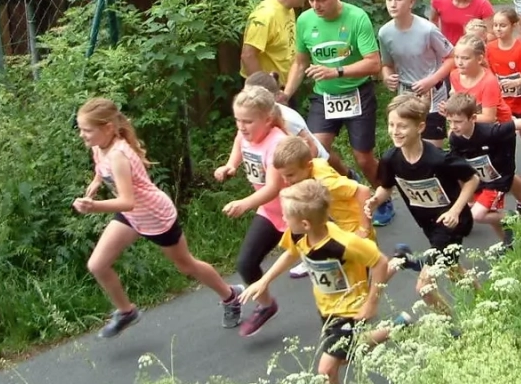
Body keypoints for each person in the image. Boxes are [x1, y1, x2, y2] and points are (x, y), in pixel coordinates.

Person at [74, 98, 244, 338]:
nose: (82, 134)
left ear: (108, 128)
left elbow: (127, 201)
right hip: (132, 216)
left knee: (186, 265)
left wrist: (94, 206)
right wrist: (96, 181)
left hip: (155, 216)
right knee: (97, 265)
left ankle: (230, 295)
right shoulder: (99, 146)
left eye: (87, 130)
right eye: (81, 129)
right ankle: (126, 312)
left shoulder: (119, 155)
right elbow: (102, 168)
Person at [239, 179, 390, 384]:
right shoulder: (298, 235)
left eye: (286, 216)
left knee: (327, 369)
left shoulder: (344, 243)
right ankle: (396, 327)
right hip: (326, 308)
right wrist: (264, 280)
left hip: (351, 309)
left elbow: (380, 262)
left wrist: (371, 303)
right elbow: (291, 253)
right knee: (347, 354)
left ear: (305, 223)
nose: (283, 220)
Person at [281, 0, 394, 226]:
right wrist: (286, 94)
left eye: (321, 0)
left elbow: (373, 64)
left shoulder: (357, 17)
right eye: (311, 0)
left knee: (363, 156)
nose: (315, 6)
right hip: (324, 96)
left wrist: (336, 72)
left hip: (357, 92)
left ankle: (382, 197)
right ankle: (349, 180)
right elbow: (300, 62)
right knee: (315, 152)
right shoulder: (305, 20)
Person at [366, 94, 479, 316]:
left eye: (402, 126)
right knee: (453, 270)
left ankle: (453, 324)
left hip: (452, 223)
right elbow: (386, 187)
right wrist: (375, 200)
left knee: (423, 286)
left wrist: (455, 210)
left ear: (420, 127)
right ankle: (486, 299)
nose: (395, 131)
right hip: (428, 225)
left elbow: (472, 179)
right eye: (391, 125)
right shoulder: (390, 159)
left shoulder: (438, 159)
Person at [215, 86, 288, 336]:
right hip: (271, 212)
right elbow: (240, 144)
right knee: (246, 264)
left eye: (247, 121)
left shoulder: (277, 143)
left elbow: (273, 188)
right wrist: (230, 166)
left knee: (322, 260)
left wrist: (244, 204)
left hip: (296, 213)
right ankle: (266, 305)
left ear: (267, 119)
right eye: (238, 120)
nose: (242, 127)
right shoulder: (245, 134)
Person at [443, 93, 521, 246]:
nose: (453, 126)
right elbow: (460, 169)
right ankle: (509, 244)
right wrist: (468, 198)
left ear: (473, 118)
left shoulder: (490, 131)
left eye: (458, 122)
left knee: (477, 215)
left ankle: (512, 217)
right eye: (450, 122)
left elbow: (520, 123)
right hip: (481, 181)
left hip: (498, 180)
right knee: (490, 215)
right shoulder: (456, 138)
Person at [379, 0, 454, 148]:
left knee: (432, 150)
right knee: (407, 146)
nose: (393, 4)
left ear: (411, 2)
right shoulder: (384, 33)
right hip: (405, 94)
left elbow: (452, 58)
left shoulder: (428, 30)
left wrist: (431, 80)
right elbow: (387, 65)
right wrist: (387, 77)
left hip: (433, 94)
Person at [272, 136, 373, 239]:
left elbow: (363, 191)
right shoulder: (311, 166)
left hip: (353, 227)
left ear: (309, 166)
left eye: (290, 175)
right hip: (337, 226)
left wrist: (364, 228)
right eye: (282, 176)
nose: (286, 181)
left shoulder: (326, 183)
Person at [487, 8, 521, 181]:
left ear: (514, 26)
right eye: (495, 25)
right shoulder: (490, 48)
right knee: (502, 135)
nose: (498, 29)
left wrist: (516, 82)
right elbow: (488, 72)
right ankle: (503, 165)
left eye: (503, 25)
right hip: (502, 102)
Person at [244, 71, 335, 170]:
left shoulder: (287, 119)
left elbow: (312, 149)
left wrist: (301, 173)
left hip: (312, 165)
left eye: (251, 97)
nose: (245, 100)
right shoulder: (249, 116)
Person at [240, 0, 313, 83]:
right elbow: (248, 56)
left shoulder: (288, 8)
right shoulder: (265, 15)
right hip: (267, 88)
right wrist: (265, 87)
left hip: (284, 86)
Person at [448, 34, 511, 123]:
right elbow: (460, 106)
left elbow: (489, 118)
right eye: (456, 57)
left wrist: (460, 117)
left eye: (465, 58)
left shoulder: (489, 82)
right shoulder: (454, 75)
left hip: (499, 125)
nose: (459, 62)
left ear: (479, 59)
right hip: (471, 122)